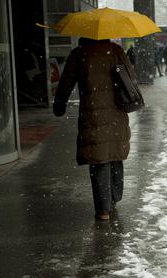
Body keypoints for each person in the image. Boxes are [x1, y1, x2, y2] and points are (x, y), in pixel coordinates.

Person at [53, 38, 132, 221]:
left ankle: (103, 209)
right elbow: (130, 77)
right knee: (114, 154)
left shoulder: (80, 54)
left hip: (92, 112)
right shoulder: (115, 51)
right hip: (116, 112)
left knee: (98, 158)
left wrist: (60, 104)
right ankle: (113, 198)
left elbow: (66, 83)